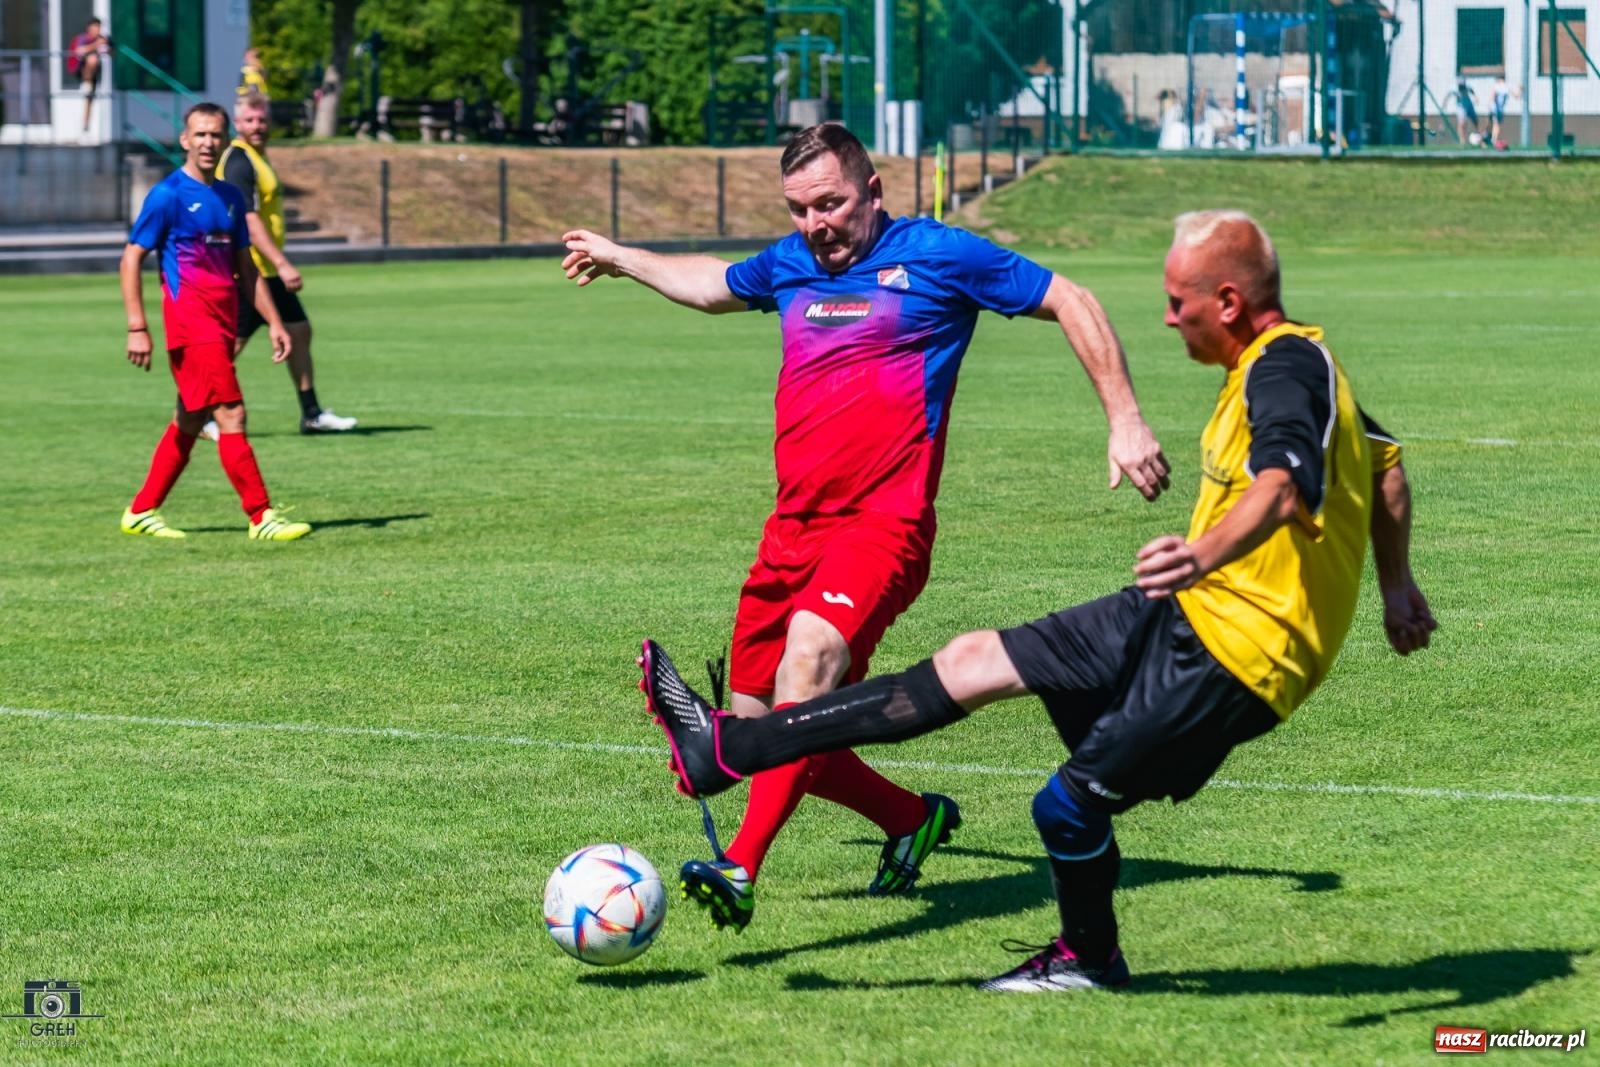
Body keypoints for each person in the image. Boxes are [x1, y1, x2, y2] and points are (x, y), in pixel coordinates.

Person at [639, 209, 1436, 990]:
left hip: (1241, 659)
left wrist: (1200, 552)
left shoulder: (1284, 368)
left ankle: (1089, 960)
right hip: (1181, 613)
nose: (1165, 319)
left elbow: (1284, 486)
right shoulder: (1283, 364)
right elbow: (1384, 466)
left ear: (1228, 302)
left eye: (1176, 302)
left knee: (1064, 811)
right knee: (971, 658)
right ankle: (731, 748)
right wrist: (1396, 591)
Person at [563, 122, 1170, 932]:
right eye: (800, 209)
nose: (817, 224)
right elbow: (713, 283)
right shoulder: (791, 262)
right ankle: (909, 818)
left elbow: (1072, 298)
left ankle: (740, 865)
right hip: (791, 530)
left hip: (884, 524)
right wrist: (622, 256)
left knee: (807, 665)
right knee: (758, 735)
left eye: (832, 203)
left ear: (874, 191)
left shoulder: (941, 255)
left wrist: (1124, 419)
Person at [120, 102, 312, 543]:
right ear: (185, 140)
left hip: (223, 325)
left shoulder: (229, 197)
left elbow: (246, 268)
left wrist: (276, 323)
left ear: (225, 140)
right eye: (200, 135)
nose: (208, 143)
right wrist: (137, 325)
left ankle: (141, 509)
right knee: (231, 413)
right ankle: (261, 514)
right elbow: (132, 257)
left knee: (190, 419)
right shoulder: (167, 195)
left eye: (215, 135)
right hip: (191, 325)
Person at [213, 92, 357, 437]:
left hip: (266, 271)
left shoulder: (257, 158)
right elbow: (248, 219)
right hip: (249, 270)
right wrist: (282, 261)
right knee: (226, 347)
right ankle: (198, 414)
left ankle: (311, 413)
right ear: (238, 123)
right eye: (250, 120)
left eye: (262, 120)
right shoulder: (239, 162)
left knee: (298, 331)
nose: (257, 126)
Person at [67, 17, 111, 136]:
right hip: (80, 70)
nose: (97, 30)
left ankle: (85, 125)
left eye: (99, 27)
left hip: (94, 74)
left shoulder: (102, 39)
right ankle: (86, 82)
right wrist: (96, 45)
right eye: (95, 27)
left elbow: (110, 51)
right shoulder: (82, 39)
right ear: (89, 28)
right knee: (92, 59)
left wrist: (107, 47)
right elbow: (79, 51)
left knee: (89, 99)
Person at [1489, 76, 1518, 149]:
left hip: (1496, 109)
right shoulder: (1507, 86)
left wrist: (1490, 105)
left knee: (1496, 125)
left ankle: (1493, 140)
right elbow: (1516, 96)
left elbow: (1492, 96)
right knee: (1496, 125)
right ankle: (1493, 139)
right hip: (1499, 109)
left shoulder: (1497, 86)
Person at [1454, 74, 1481, 145]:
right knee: (1462, 123)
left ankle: (1480, 138)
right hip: (1461, 107)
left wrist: (1476, 98)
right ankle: (1462, 140)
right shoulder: (1454, 88)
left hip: (1469, 105)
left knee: (1476, 121)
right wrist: (1445, 103)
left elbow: (1472, 91)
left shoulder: (1467, 86)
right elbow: (1448, 95)